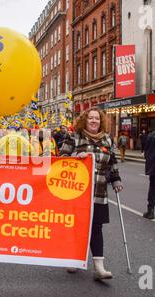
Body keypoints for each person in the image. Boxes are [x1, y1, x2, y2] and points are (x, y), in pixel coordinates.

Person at [60, 107, 123, 281]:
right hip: (77, 190)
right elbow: (62, 157)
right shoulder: (74, 136)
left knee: (96, 227)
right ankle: (73, 258)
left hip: (99, 190)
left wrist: (116, 179)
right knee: (76, 225)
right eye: (90, 118)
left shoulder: (107, 139)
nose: (94, 121)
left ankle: (99, 268)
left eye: (97, 118)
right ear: (84, 120)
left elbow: (112, 162)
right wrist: (75, 155)